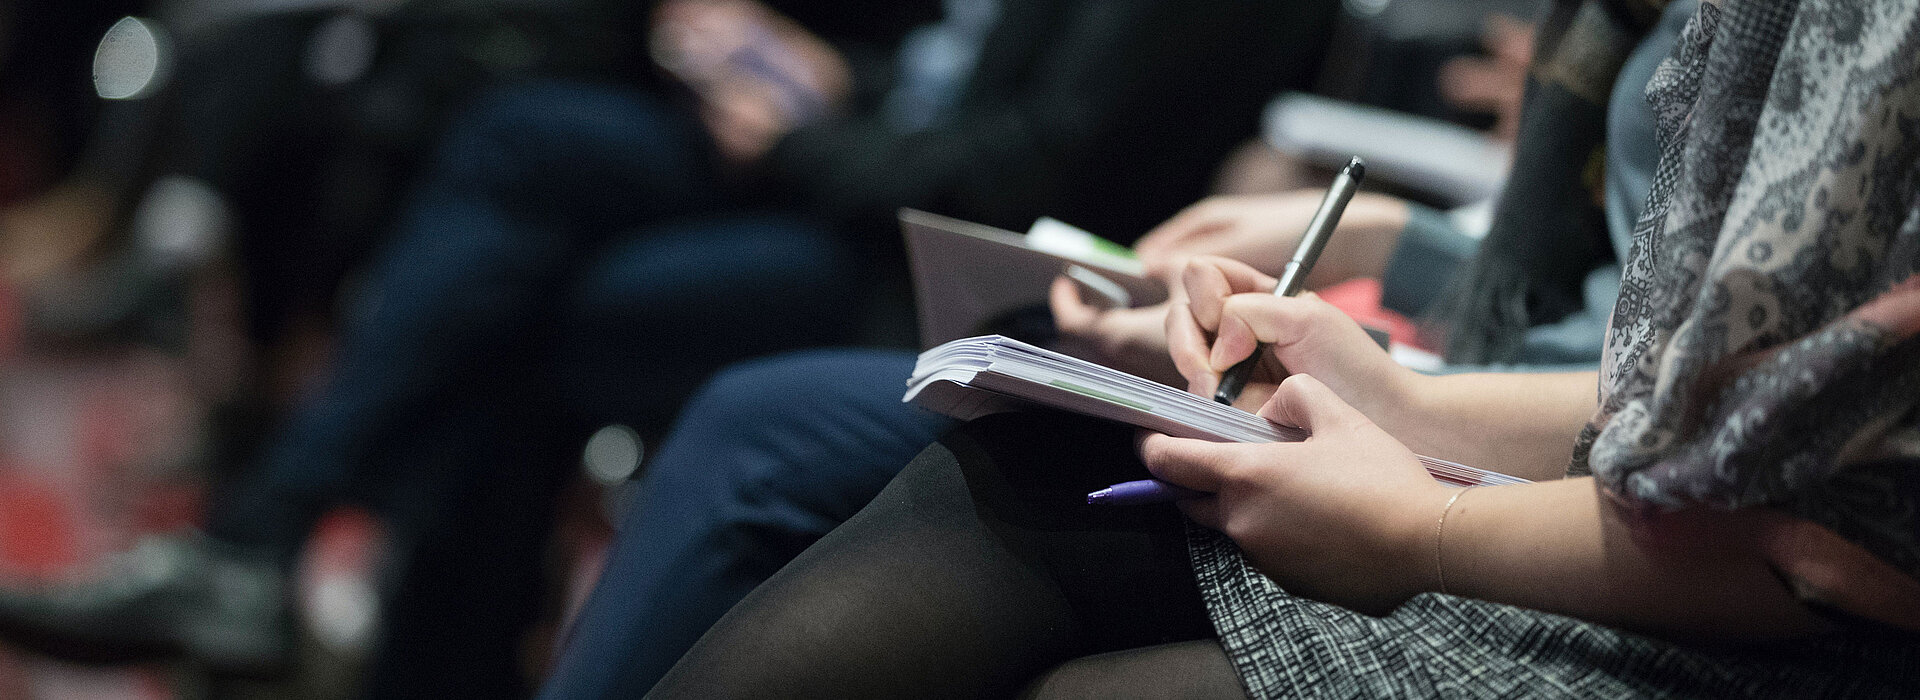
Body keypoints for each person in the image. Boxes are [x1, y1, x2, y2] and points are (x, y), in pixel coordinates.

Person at [0, 0, 1338, 694]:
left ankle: (290, 564)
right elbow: (948, 84)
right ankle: (280, 552)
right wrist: (807, 79)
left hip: (961, 272)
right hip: (867, 174)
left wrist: (807, 136)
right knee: (515, 139)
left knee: (530, 314)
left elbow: (1023, 165)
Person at [605, 0, 1920, 695]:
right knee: (987, 464)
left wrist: (1425, 514)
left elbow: (1828, 520)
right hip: (1578, 456)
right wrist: (1401, 393)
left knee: (904, 473)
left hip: (1731, 602)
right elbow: (1682, 381)